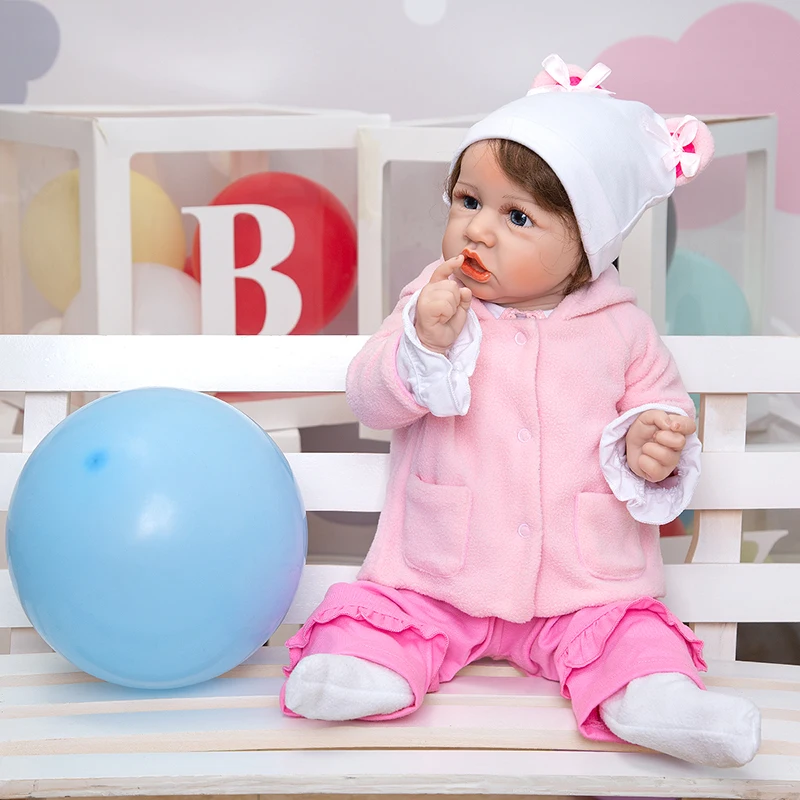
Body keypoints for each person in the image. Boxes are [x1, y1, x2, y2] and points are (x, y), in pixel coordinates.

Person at [280, 53, 761, 768]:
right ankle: (359, 671)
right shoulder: (433, 302)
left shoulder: (623, 331)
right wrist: (422, 346)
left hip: (583, 587)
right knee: (381, 619)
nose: (478, 231)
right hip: (440, 576)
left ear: (587, 247)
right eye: (468, 201)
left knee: (633, 638)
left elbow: (662, 414)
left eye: (516, 216)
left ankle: (659, 701)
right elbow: (369, 399)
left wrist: (650, 446)